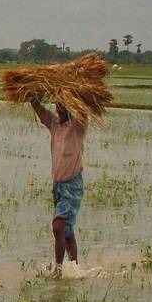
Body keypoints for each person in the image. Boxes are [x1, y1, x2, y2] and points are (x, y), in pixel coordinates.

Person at [30, 99, 86, 278]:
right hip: (58, 186)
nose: (59, 109)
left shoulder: (77, 127)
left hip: (72, 185)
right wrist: (32, 96)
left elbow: (84, 110)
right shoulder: (55, 125)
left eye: (63, 106)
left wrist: (78, 95)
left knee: (58, 227)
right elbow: (40, 110)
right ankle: (75, 268)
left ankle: (58, 270)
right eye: (58, 106)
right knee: (67, 232)